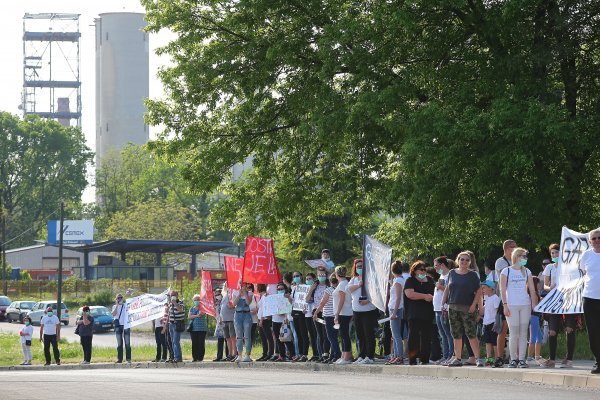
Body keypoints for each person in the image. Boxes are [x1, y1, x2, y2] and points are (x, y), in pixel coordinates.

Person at [441, 251, 483, 367]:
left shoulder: (473, 275)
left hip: (467, 308)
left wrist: (475, 305)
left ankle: (478, 358)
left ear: (470, 262)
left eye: (466, 260)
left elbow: (479, 291)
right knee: (456, 334)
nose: (464, 261)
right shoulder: (452, 273)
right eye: (462, 259)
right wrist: (442, 303)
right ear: (457, 260)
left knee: (471, 333)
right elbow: (447, 289)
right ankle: (457, 358)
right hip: (453, 307)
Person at [500, 247, 538, 368]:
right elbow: (502, 289)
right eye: (523, 256)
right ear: (516, 257)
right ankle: (513, 359)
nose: (525, 259)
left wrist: (534, 304)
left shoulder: (527, 271)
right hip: (512, 305)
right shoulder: (506, 271)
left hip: (525, 305)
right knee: (513, 333)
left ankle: (522, 359)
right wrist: (505, 305)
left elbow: (532, 289)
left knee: (523, 333)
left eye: (525, 256)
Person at [542, 243, 578, 369]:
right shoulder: (549, 268)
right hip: (554, 302)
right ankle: (552, 360)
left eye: (557, 252)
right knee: (552, 332)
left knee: (569, 329)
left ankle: (569, 359)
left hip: (568, 301)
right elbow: (545, 285)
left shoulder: (569, 267)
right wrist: (549, 287)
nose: (554, 255)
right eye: (552, 253)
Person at [404, 260, 435, 365]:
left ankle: (425, 359)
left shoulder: (430, 280)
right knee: (413, 337)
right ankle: (412, 359)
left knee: (426, 337)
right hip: (414, 313)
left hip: (427, 313)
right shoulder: (410, 280)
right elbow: (410, 294)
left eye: (424, 269)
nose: (423, 271)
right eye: (421, 269)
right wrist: (424, 296)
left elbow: (434, 293)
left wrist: (430, 297)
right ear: (415, 270)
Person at [348, 259, 378, 364]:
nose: (359, 268)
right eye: (358, 266)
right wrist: (358, 285)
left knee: (368, 334)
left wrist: (367, 301)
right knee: (360, 335)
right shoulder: (354, 279)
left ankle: (370, 356)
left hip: (368, 310)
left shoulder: (370, 279)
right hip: (356, 311)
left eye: (361, 266)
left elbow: (376, 294)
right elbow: (349, 289)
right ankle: (361, 355)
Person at [580, 228, 600, 374]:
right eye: (594, 239)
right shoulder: (586, 255)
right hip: (589, 298)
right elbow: (583, 272)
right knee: (593, 332)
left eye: (599, 238)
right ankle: (598, 361)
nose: (597, 241)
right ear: (589, 241)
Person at [494, 239, 517, 367]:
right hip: (505, 300)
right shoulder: (500, 262)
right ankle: (499, 357)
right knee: (503, 330)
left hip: (517, 299)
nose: (515, 249)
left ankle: (516, 357)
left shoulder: (517, 262)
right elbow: (509, 277)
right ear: (507, 248)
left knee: (517, 330)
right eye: (513, 247)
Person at [313, 273, 340, 363]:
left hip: (329, 316)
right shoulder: (340, 290)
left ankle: (336, 354)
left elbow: (322, 303)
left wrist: (316, 313)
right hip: (337, 315)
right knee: (334, 336)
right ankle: (333, 355)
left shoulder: (328, 290)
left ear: (330, 281)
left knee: (330, 337)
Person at [433, 256, 453, 364]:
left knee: (448, 333)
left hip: (445, 308)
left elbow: (451, 290)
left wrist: (440, 287)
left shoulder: (450, 275)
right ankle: (445, 356)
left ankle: (451, 355)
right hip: (437, 308)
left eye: (436, 266)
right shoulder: (441, 275)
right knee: (442, 334)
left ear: (442, 265)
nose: (435, 268)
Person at [307, 267, 330, 361]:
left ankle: (326, 353)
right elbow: (307, 300)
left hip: (327, 312)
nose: (321, 276)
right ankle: (321, 354)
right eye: (319, 274)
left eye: (323, 274)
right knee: (320, 334)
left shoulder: (328, 285)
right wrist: (311, 289)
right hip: (316, 312)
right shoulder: (315, 285)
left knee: (326, 333)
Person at [332, 266, 354, 365]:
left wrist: (337, 313)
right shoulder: (344, 283)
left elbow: (342, 300)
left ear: (336, 274)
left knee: (344, 335)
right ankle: (344, 355)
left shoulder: (342, 285)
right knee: (343, 334)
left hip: (344, 313)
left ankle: (346, 356)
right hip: (345, 312)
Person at [387, 260, 406, 365]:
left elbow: (398, 297)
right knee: (394, 335)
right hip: (394, 307)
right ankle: (395, 355)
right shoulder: (398, 280)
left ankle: (399, 356)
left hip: (396, 308)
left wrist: (394, 312)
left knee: (396, 335)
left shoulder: (398, 281)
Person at [272, 282, 295, 361]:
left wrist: (288, 298)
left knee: (287, 338)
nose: (280, 290)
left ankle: (292, 355)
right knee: (278, 339)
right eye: (278, 289)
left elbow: (291, 306)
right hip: (275, 320)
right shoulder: (274, 297)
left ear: (285, 289)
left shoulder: (288, 297)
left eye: (282, 289)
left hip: (284, 321)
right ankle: (282, 355)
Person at [291, 271, 310, 362]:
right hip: (295, 312)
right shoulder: (294, 288)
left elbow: (307, 299)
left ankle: (305, 354)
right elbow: (293, 301)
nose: (296, 277)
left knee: (304, 334)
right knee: (298, 334)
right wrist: (288, 298)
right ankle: (300, 353)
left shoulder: (306, 286)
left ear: (301, 276)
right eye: (294, 276)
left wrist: (306, 308)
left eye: (297, 276)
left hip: (303, 312)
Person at [480, 281, 500, 366]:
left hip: (493, 323)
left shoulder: (495, 298)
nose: (482, 289)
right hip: (486, 322)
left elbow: (497, 310)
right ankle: (489, 359)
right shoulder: (486, 298)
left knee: (494, 342)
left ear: (491, 288)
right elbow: (483, 310)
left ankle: (497, 358)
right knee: (487, 342)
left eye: (484, 287)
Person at [233, 282, 254, 362]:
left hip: (246, 314)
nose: (242, 286)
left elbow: (248, 302)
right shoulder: (235, 292)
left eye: (244, 284)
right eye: (241, 284)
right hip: (238, 315)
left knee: (247, 335)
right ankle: (239, 355)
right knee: (238, 335)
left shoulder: (250, 293)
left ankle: (247, 355)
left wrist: (245, 293)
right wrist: (239, 294)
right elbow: (234, 303)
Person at [527, 277, 545, 365]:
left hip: (535, 317)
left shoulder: (534, 293)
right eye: (538, 283)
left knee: (539, 337)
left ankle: (537, 356)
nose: (539, 285)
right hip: (534, 316)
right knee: (533, 337)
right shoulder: (533, 293)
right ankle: (529, 358)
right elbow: (535, 307)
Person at [304, 272, 319, 361]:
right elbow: (305, 300)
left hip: (314, 313)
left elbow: (310, 299)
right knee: (311, 336)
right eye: (307, 279)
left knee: (316, 334)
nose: (308, 280)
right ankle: (314, 353)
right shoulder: (306, 288)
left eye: (310, 279)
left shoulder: (316, 288)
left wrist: (312, 288)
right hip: (307, 314)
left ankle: (319, 353)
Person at [257, 284, 274, 361]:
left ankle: (270, 353)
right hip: (261, 319)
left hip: (264, 319)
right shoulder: (262, 297)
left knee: (268, 337)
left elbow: (264, 309)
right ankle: (264, 353)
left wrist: (261, 319)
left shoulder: (265, 296)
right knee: (263, 338)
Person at [112, 293, 131, 364]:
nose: (119, 299)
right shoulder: (114, 306)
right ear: (116, 299)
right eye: (118, 298)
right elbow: (113, 314)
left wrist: (127, 294)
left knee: (127, 343)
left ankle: (128, 358)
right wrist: (117, 305)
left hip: (125, 326)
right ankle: (120, 359)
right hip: (118, 326)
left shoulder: (125, 306)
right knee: (119, 344)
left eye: (121, 298)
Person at [189, 294, 208, 362]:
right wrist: (196, 315)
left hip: (202, 329)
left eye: (198, 300)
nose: (196, 301)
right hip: (193, 329)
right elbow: (189, 317)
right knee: (194, 343)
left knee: (201, 343)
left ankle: (200, 357)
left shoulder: (203, 308)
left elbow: (200, 314)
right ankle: (194, 357)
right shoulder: (191, 308)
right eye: (195, 300)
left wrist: (194, 315)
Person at [167, 291, 185, 363]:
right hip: (171, 324)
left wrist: (175, 302)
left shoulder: (180, 303)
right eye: (172, 295)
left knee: (176, 341)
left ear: (177, 296)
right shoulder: (170, 304)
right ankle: (174, 357)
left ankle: (178, 357)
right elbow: (169, 314)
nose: (173, 296)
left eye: (174, 295)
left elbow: (180, 309)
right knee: (172, 341)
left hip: (177, 324)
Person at [220, 287, 237, 361]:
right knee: (227, 338)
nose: (226, 285)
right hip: (224, 319)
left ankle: (234, 354)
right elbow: (222, 307)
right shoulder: (224, 294)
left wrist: (232, 305)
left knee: (233, 337)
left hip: (231, 319)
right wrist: (220, 318)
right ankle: (229, 354)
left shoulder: (233, 293)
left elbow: (234, 305)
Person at [213, 287, 228, 362]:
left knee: (227, 339)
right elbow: (215, 314)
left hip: (225, 322)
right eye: (216, 294)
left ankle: (228, 355)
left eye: (218, 294)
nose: (217, 296)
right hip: (219, 324)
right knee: (220, 340)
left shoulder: (224, 301)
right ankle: (219, 356)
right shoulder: (216, 304)